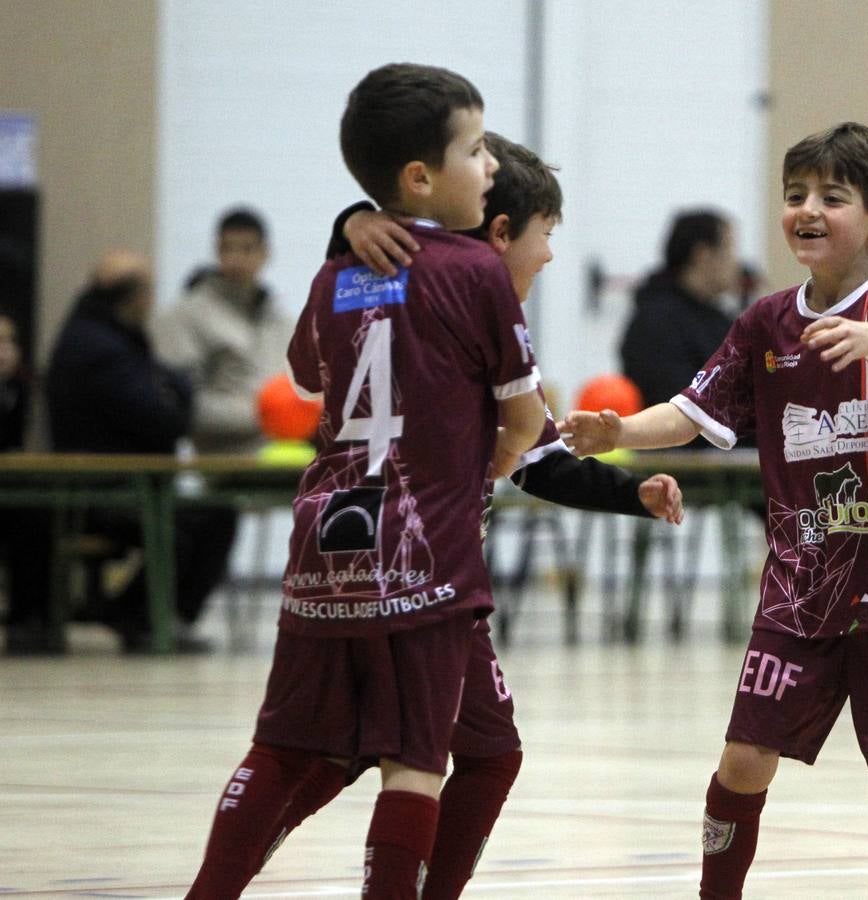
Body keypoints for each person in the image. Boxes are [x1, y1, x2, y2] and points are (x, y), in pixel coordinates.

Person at [565, 122, 868, 900]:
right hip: (799, 591)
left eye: (832, 196)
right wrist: (619, 433)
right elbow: (691, 413)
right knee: (742, 762)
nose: (806, 210)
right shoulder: (763, 323)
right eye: (795, 196)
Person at [222, 132, 686, 898]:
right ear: (500, 232)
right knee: (403, 758)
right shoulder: (472, 300)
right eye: (546, 236)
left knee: (438, 751)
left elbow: (530, 454)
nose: (548, 257)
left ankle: (227, 874)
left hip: (349, 547)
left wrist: (625, 492)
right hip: (429, 569)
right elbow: (523, 441)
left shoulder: (391, 288)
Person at [186, 63, 546, 898]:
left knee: (282, 742)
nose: (490, 165)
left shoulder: (330, 273)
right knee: (414, 762)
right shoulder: (476, 273)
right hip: (426, 554)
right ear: (422, 177)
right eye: (476, 148)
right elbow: (524, 424)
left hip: (325, 541)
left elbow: (306, 379)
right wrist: (475, 466)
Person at [45, 251, 237, 653]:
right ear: (134, 297)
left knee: (213, 513)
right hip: (102, 488)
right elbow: (160, 415)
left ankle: (152, 616)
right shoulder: (100, 348)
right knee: (182, 528)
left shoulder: (106, 336)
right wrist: (181, 393)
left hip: (123, 483)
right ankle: (131, 614)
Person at [157, 207, 293, 455]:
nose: (236, 259)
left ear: (265, 253)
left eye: (247, 248)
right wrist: (268, 414)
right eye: (227, 249)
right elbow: (179, 404)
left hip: (283, 460)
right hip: (225, 464)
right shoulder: (187, 315)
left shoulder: (281, 320)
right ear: (216, 251)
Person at [620, 210, 741, 411]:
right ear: (703, 255)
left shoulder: (717, 317)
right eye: (729, 250)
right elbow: (679, 405)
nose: (736, 264)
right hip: (678, 438)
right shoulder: (656, 323)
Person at [0, 308, 58, 654]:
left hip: (15, 492)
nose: (4, 350)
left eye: (8, 342)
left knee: (37, 518)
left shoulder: (26, 388)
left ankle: (30, 622)